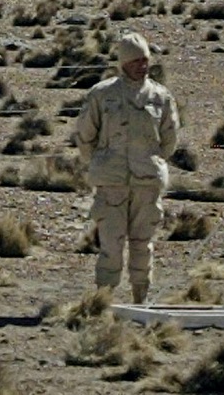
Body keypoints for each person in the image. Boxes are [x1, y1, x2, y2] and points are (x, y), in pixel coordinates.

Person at [73, 32, 181, 303]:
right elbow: (85, 136)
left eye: (145, 60)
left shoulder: (160, 97)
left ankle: (140, 299)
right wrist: (102, 164)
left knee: (142, 244)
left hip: (146, 183)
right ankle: (103, 301)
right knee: (111, 245)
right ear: (123, 63)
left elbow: (169, 139)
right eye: (135, 61)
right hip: (112, 184)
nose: (141, 66)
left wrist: (152, 162)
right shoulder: (102, 95)